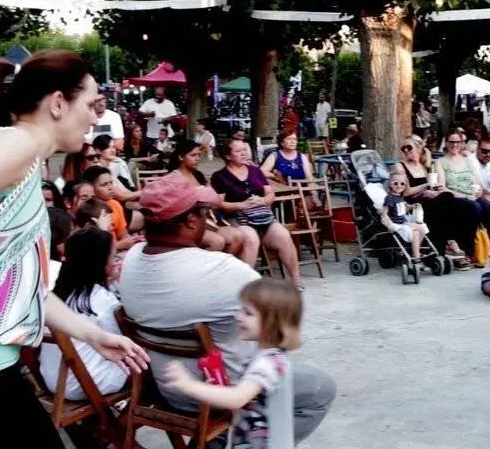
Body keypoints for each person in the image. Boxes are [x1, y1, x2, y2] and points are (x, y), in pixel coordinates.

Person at [0, 51, 148, 447]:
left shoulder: (26, 162)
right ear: (59, 103)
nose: (96, 116)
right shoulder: (17, 143)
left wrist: (92, 335)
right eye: (92, 103)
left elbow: (25, 284)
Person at [117, 176, 335, 440]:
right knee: (321, 389)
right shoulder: (222, 269)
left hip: (169, 388)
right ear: (191, 220)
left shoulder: (130, 260)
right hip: (224, 390)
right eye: (204, 212)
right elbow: (281, 319)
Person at [164, 278, 302, 449]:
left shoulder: (268, 362)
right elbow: (248, 397)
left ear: (272, 322)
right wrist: (216, 389)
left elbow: (237, 399)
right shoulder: (264, 355)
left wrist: (187, 385)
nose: (238, 316)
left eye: (248, 313)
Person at [40, 229, 128, 401]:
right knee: (149, 369)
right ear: (101, 262)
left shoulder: (59, 295)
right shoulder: (101, 299)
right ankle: (115, 426)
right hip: (84, 382)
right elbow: (121, 341)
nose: (114, 263)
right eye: (113, 257)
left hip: (54, 380)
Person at [212, 139, 302, 288]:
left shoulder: (255, 171)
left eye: (244, 150)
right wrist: (241, 204)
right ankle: (245, 284)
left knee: (283, 235)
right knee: (251, 239)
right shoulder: (220, 176)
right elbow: (219, 204)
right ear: (228, 156)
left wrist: (264, 200)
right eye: (238, 151)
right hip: (238, 218)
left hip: (263, 215)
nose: (244, 153)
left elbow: (270, 193)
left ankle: (296, 280)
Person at [168, 142, 259, 266]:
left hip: (208, 219)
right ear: (181, 157)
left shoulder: (198, 175)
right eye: (193, 155)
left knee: (238, 236)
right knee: (217, 242)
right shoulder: (173, 177)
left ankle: (221, 269)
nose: (197, 158)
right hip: (187, 222)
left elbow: (214, 200)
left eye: (199, 155)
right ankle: (205, 271)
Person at [397, 135, 466, 262]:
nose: (406, 151)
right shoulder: (400, 167)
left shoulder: (424, 167)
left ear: (418, 149)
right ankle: (448, 242)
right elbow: (404, 192)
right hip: (412, 203)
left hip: (427, 200)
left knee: (448, 197)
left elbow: (431, 187)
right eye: (403, 148)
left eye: (409, 147)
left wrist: (434, 188)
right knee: (444, 203)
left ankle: (445, 244)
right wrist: (425, 185)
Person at [437, 130, 490, 254]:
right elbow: (442, 187)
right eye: (451, 142)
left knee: (488, 207)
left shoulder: (468, 160)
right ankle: (468, 249)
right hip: (454, 197)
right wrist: (464, 195)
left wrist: (480, 191)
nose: (454, 145)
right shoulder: (440, 162)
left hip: (471, 194)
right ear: (446, 143)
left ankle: (489, 248)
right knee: (475, 207)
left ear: (462, 143)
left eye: (457, 142)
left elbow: (477, 182)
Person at [81, 166, 143, 252]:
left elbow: (122, 234)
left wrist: (129, 240)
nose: (111, 188)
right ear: (91, 187)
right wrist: (119, 245)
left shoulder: (115, 204)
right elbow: (88, 248)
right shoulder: (85, 209)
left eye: (111, 183)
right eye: (104, 184)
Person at [381, 175, 429, 265]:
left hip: (403, 222)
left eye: (402, 184)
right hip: (396, 225)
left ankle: (415, 251)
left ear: (405, 185)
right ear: (390, 185)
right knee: (417, 230)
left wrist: (411, 207)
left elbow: (401, 210)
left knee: (421, 229)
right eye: (396, 183)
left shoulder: (400, 197)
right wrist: (390, 224)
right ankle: (416, 255)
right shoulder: (389, 198)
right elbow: (384, 213)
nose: (399, 186)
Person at [93, 134, 139, 203]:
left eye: (114, 147)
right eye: (108, 147)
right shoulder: (98, 170)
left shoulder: (110, 168)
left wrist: (140, 193)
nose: (113, 150)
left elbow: (125, 191)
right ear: (98, 151)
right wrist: (143, 192)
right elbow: (121, 196)